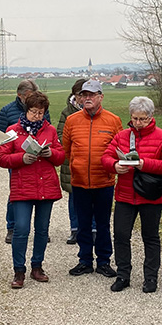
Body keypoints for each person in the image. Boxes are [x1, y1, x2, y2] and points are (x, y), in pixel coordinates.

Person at [102, 96, 162, 293]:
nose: (138, 123)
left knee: (150, 236)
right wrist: (114, 165)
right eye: (134, 118)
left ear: (150, 117)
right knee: (120, 235)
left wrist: (145, 164)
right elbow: (105, 156)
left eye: (142, 119)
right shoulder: (122, 136)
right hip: (125, 194)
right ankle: (123, 274)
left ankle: (151, 277)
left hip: (151, 195)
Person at [0, 91, 65, 288]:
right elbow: (1, 158)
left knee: (42, 230)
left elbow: (60, 158)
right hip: (22, 187)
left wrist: (51, 153)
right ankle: (19, 271)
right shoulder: (12, 131)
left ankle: (37, 266)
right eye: (34, 112)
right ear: (26, 111)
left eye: (41, 113)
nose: (37, 116)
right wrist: (21, 159)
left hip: (46, 187)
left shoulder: (50, 130)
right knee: (21, 229)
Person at [61, 79, 122, 278]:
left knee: (103, 224)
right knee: (84, 224)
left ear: (100, 97)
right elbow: (67, 150)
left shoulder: (113, 121)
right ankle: (85, 260)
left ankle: (104, 261)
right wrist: (77, 166)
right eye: (84, 95)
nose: (87, 98)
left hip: (103, 181)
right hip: (80, 181)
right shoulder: (72, 120)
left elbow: (119, 150)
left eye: (92, 95)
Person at [0, 80, 40, 244]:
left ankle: (39, 229)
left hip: (37, 158)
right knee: (15, 193)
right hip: (16, 160)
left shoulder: (42, 109)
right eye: (29, 97)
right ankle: (12, 227)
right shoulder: (7, 111)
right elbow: (1, 138)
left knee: (39, 192)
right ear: (20, 95)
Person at [57, 78, 86, 244]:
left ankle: (92, 229)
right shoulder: (67, 112)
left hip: (92, 160)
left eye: (86, 94)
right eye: (79, 95)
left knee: (93, 198)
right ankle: (75, 229)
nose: (83, 98)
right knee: (74, 197)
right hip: (72, 159)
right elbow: (60, 135)